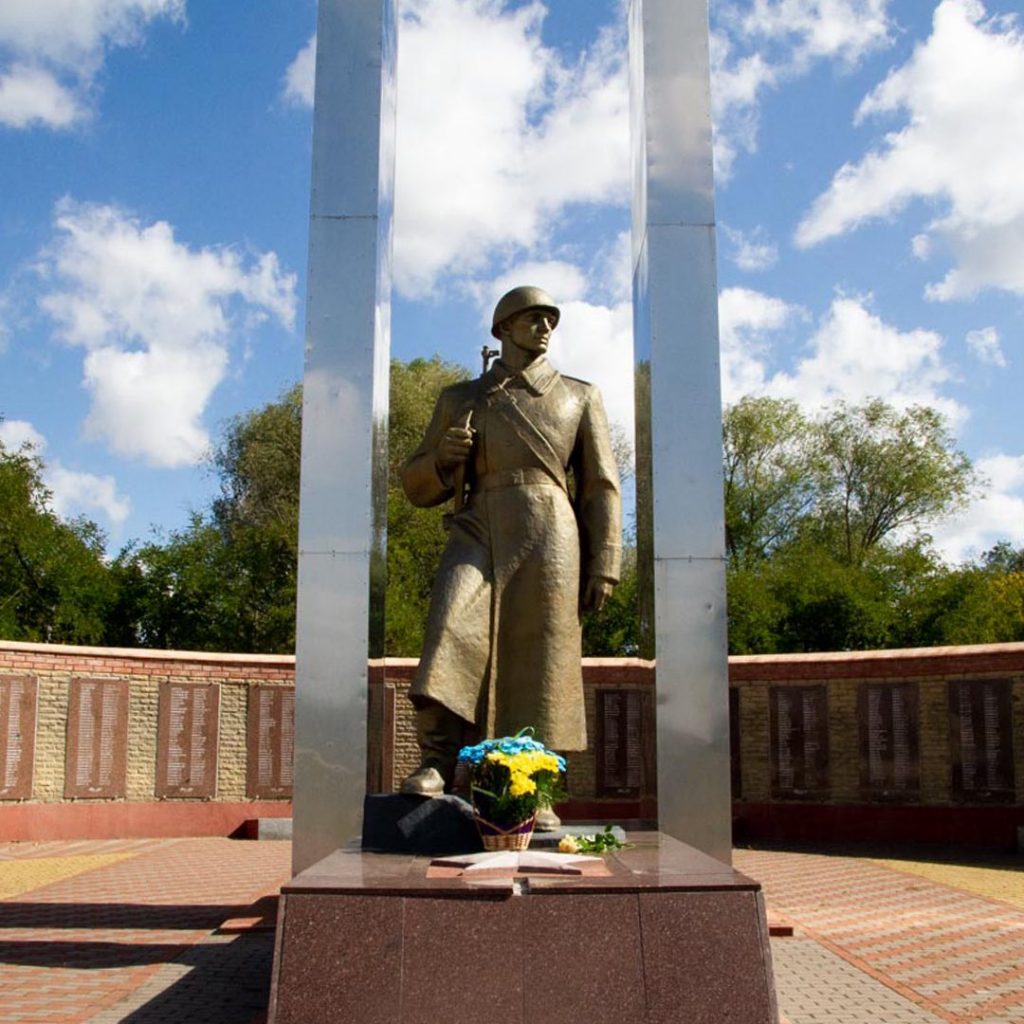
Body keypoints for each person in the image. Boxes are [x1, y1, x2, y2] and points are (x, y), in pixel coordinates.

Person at [399, 286, 622, 806]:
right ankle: (437, 759)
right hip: (478, 524)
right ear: (503, 328)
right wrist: (443, 460)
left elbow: (600, 486)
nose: (544, 328)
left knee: (542, 657)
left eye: (550, 320)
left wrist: (604, 562)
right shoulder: (460, 398)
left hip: (550, 530)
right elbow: (415, 485)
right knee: (447, 627)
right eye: (532, 318)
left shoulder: (579, 395)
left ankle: (530, 790)